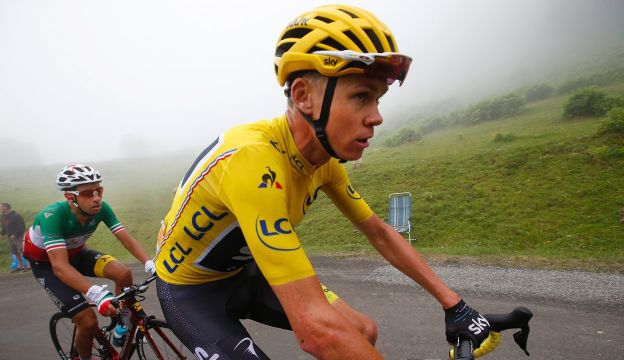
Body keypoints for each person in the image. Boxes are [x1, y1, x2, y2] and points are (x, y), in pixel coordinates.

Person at [153, 4, 490, 359]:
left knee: (362, 331)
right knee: (330, 335)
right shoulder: (252, 159)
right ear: (303, 96)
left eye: (377, 99)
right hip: (192, 293)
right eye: (361, 96)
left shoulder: (323, 161)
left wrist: (454, 305)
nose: (376, 117)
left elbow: (378, 231)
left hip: (247, 272)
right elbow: (316, 333)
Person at [23, 164, 156, 360]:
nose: (96, 197)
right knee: (87, 322)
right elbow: (60, 267)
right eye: (88, 193)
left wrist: (148, 262)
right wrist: (95, 293)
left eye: (99, 190)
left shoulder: (102, 208)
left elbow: (125, 238)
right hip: (48, 266)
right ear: (70, 197)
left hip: (76, 254)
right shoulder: (52, 216)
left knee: (123, 273)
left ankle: (122, 327)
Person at [0, 202, 28, 271]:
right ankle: (21, 266)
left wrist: (15, 234)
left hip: (19, 236)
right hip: (10, 237)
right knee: (15, 251)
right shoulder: (2, 217)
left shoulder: (16, 216)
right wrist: (1, 234)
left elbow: (22, 227)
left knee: (23, 250)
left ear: (6, 207)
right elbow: (4, 227)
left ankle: (30, 266)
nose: (0, 209)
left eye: (1, 207)